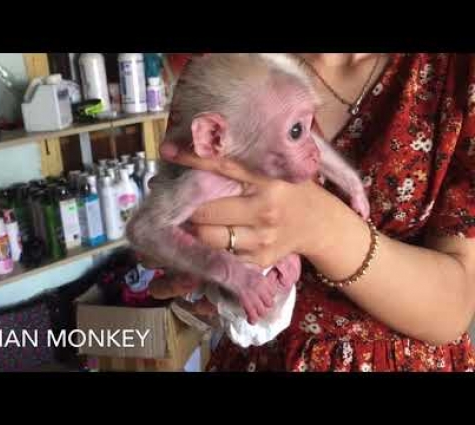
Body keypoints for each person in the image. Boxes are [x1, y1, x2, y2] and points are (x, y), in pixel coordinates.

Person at [148, 53, 475, 372]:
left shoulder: (456, 70)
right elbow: (171, 221)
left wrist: (320, 227)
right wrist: (192, 252)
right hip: (255, 353)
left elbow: (453, 309)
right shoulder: (216, 67)